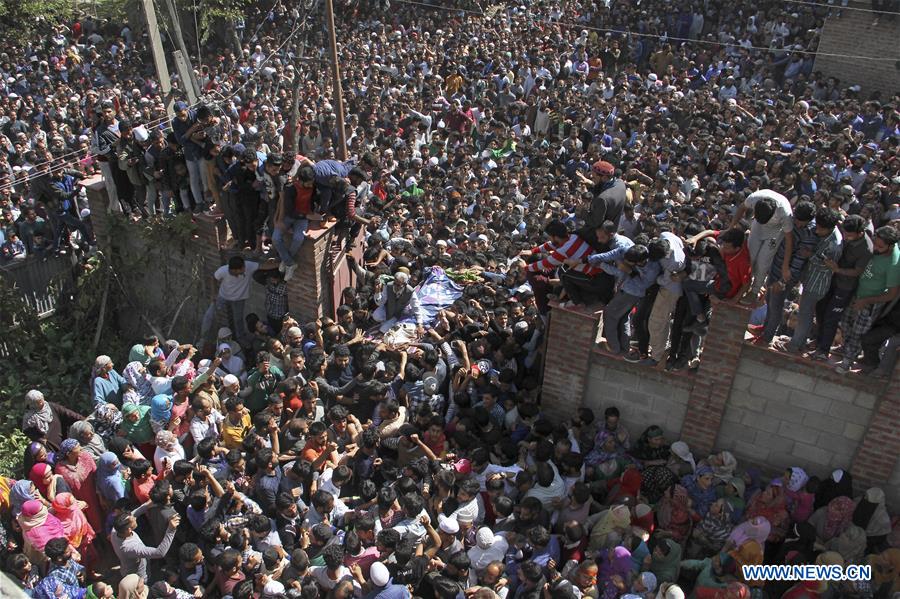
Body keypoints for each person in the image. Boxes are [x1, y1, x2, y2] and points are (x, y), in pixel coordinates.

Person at [732, 190, 794, 303]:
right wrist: (731, 227)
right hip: (757, 228)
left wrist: (785, 265)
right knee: (749, 258)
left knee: (763, 262)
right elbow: (741, 208)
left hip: (775, 232)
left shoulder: (785, 213)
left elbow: (789, 240)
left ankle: (754, 291)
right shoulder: (754, 198)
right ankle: (741, 286)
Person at [202, 255, 260, 345]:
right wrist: (214, 294)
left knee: (238, 320)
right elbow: (214, 278)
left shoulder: (247, 266)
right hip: (223, 296)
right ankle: (203, 338)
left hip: (239, 298)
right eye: (242, 269)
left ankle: (240, 338)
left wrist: (285, 263)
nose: (244, 269)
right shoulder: (223, 270)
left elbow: (263, 265)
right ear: (235, 270)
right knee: (209, 315)